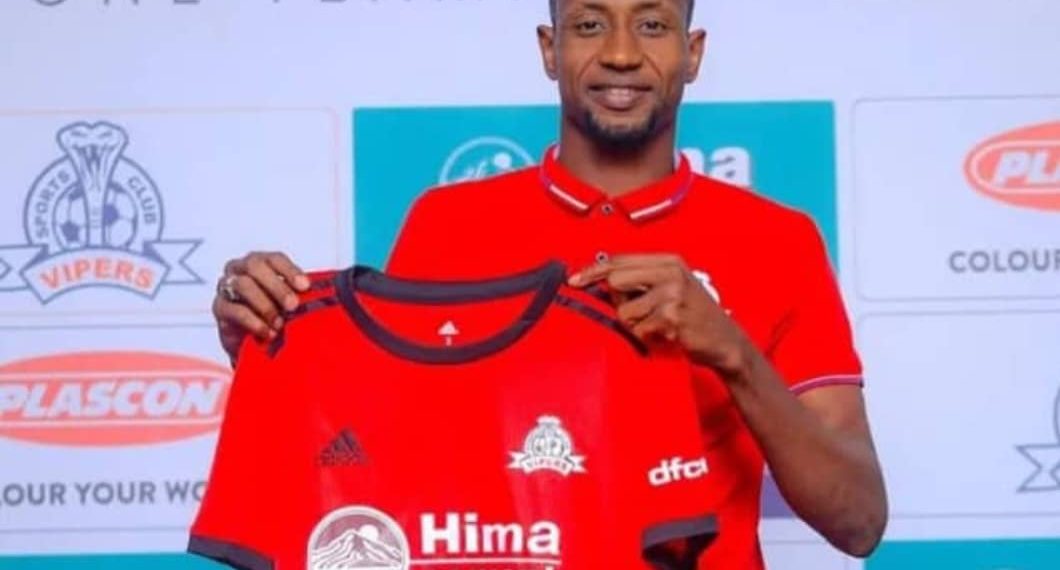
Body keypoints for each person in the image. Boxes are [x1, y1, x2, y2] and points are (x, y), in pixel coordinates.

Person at [211, 0, 888, 567]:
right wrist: (268, 341)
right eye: (589, 24)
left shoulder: (778, 240)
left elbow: (857, 521)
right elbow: (373, 451)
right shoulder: (448, 224)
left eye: (652, 24)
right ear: (549, 48)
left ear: (693, 52)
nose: (620, 53)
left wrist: (731, 352)